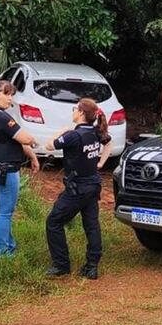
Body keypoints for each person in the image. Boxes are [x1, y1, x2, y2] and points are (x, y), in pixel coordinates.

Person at [44, 98, 112, 280]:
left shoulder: (74, 135)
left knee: (54, 222)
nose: (73, 111)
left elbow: (49, 146)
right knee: (91, 225)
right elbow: (109, 145)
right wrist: (101, 163)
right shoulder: (96, 131)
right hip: (93, 186)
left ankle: (61, 265)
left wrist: (61, 132)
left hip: (77, 189)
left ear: (81, 113)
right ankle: (92, 267)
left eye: (75, 109)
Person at [0, 80, 39, 257]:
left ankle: (8, 244)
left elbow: (13, 140)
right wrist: (34, 141)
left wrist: (33, 156)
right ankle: (3, 251)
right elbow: (24, 138)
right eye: (6, 94)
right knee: (6, 212)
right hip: (5, 170)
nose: (10, 99)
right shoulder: (0, 117)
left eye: (11, 94)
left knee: (5, 210)